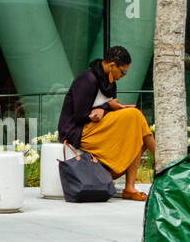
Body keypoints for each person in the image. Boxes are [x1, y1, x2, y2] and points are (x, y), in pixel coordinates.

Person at [57, 45, 156, 201]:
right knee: (135, 116)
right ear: (112, 66)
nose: (123, 76)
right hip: (77, 132)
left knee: (134, 128)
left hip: (96, 128)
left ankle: (130, 188)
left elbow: (106, 110)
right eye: (123, 72)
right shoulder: (87, 79)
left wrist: (112, 109)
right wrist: (106, 106)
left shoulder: (110, 82)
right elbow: (79, 116)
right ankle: (162, 161)